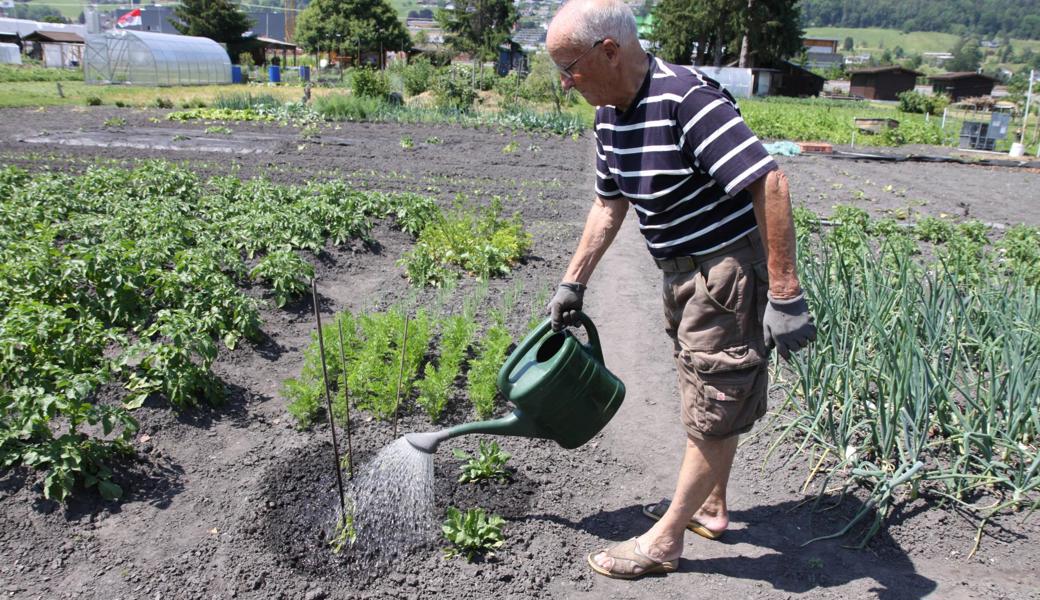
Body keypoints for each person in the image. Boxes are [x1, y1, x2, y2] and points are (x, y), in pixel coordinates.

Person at [544, 0, 817, 580]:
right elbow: (608, 203)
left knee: (714, 404)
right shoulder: (610, 115)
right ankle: (712, 507)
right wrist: (574, 281)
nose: (566, 83)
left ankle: (665, 541)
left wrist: (786, 293)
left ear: (610, 52)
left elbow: (768, 180)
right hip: (680, 275)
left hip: (724, 275)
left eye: (569, 68)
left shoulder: (686, 101)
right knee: (707, 391)